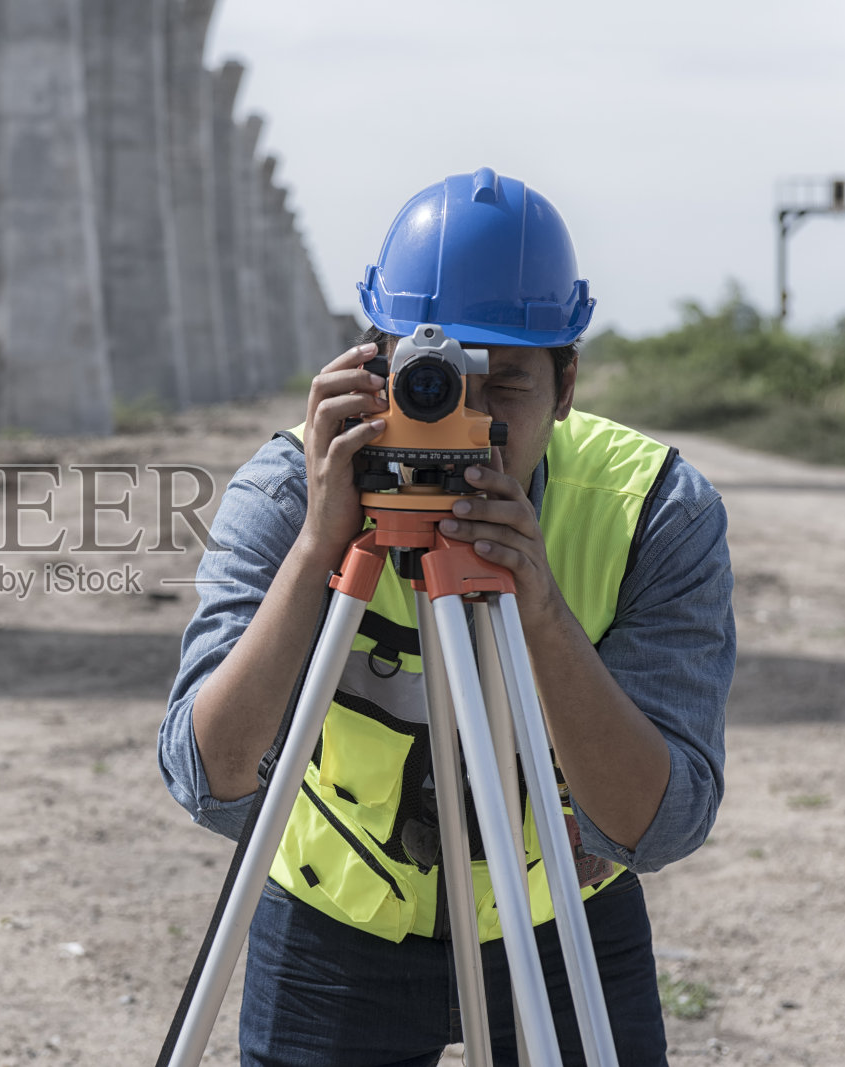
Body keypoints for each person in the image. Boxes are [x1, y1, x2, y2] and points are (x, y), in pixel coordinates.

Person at [159, 168, 734, 1066]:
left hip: (558, 920)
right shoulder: (288, 491)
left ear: (567, 384)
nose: (465, 419)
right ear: (372, 365)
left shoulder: (654, 509)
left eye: (501, 383)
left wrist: (539, 605)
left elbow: (659, 824)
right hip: (334, 920)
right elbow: (208, 777)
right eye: (435, 378)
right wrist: (316, 549)